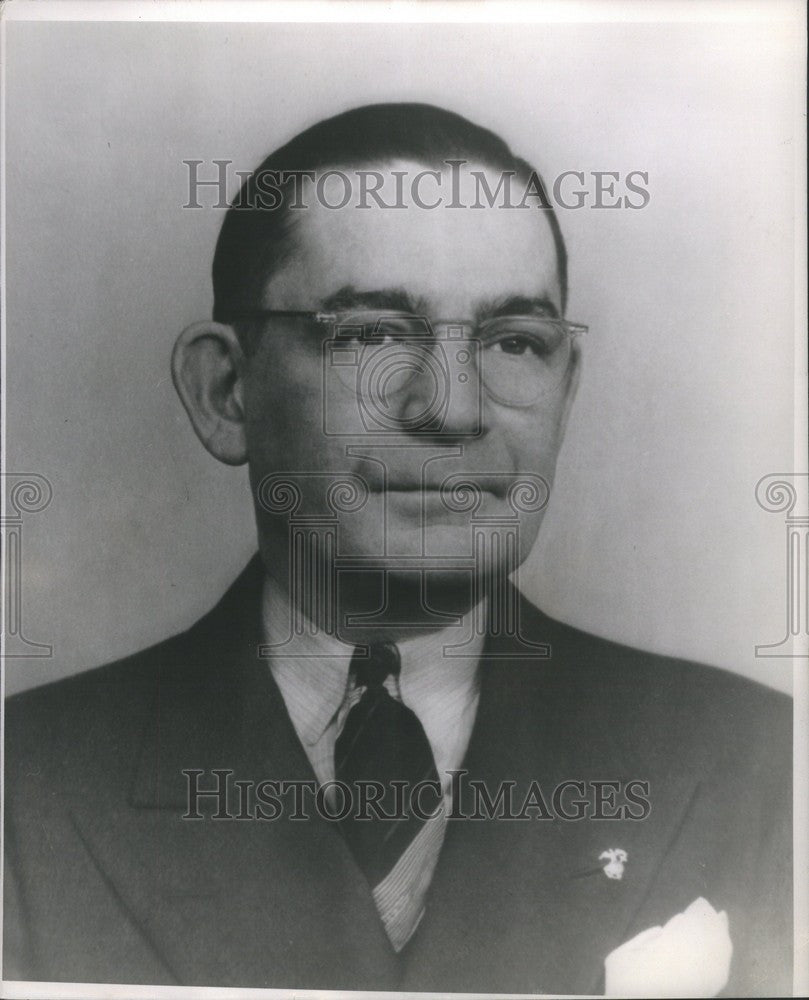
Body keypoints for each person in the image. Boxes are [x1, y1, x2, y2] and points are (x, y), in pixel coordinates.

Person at [3, 103, 791, 996]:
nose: (452, 409)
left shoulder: (755, 764)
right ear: (227, 393)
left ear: (564, 395)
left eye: (512, 341)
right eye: (373, 335)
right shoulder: (25, 788)